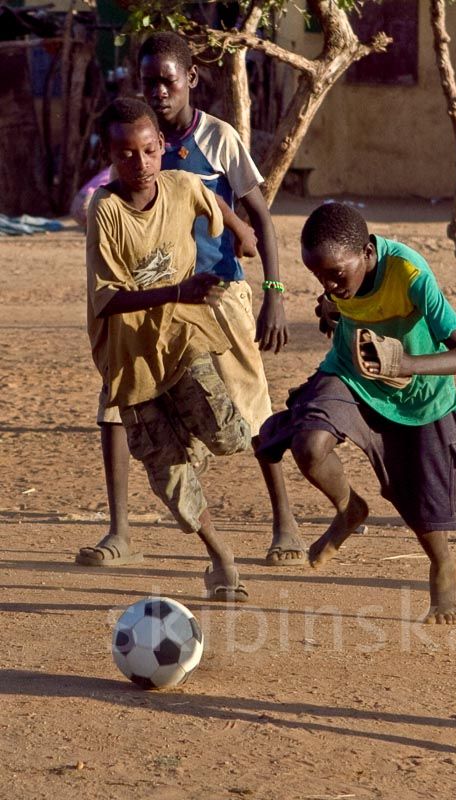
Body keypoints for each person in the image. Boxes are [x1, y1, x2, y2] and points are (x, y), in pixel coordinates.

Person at [76, 31, 303, 569]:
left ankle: (285, 521)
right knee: (118, 408)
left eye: (167, 81)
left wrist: (272, 290)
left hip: (217, 293)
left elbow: (254, 216)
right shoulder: (129, 156)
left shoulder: (217, 139)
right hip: (146, 307)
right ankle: (120, 531)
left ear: (191, 80)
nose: (157, 91)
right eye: (148, 81)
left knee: (250, 406)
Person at [257, 202, 456, 624]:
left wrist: (404, 364)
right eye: (318, 276)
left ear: (368, 253)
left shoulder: (410, 274)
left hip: (418, 393)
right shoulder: (340, 275)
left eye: (336, 275)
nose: (328, 284)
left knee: (417, 500)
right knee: (308, 444)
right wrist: (332, 308)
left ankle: (443, 564)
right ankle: (349, 508)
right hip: (350, 374)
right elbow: (342, 300)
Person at [84, 97, 257, 599]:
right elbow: (110, 298)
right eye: (125, 154)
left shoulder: (181, 185)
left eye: (147, 151)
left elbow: (209, 200)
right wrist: (179, 290)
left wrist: (240, 228)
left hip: (183, 340)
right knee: (171, 477)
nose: (138, 164)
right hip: (131, 361)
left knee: (228, 436)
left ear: (162, 147)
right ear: (110, 156)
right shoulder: (108, 211)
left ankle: (190, 433)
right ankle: (221, 559)